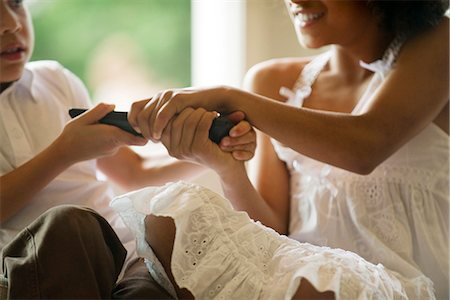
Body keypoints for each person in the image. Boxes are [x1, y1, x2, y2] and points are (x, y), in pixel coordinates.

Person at [116, 0, 449, 299]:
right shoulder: (271, 82)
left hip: (402, 287)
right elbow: (273, 231)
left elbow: (366, 145)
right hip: (303, 276)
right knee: (170, 222)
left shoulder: (441, 43)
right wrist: (227, 167)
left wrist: (230, 98)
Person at [0, 0, 256, 298]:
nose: (11, 23)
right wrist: (64, 152)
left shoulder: (55, 81)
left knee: (167, 256)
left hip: (119, 255)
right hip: (32, 269)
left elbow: (135, 172)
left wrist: (212, 151)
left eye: (15, 3)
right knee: (69, 223)